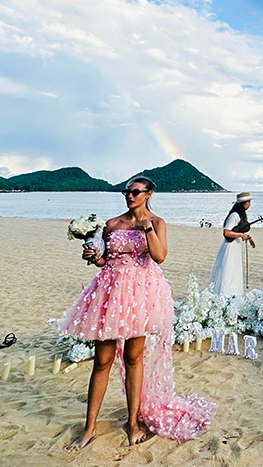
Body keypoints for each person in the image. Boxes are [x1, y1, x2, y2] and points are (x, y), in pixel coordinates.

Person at [58, 176, 212, 450]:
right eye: (126, 192)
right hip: (110, 291)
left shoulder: (157, 222)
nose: (129, 196)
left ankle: (132, 423)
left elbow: (160, 256)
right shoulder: (112, 224)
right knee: (102, 360)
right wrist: (93, 257)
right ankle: (89, 427)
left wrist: (146, 228)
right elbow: (105, 260)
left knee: (133, 357)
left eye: (135, 192)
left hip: (140, 295)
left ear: (148, 194)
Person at [209, 192, 255, 296]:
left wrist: (246, 237)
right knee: (229, 271)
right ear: (243, 203)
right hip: (230, 247)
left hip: (235, 246)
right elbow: (226, 232)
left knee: (233, 271)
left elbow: (236, 231)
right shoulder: (235, 215)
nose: (249, 204)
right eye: (248, 202)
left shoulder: (238, 215)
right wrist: (241, 235)